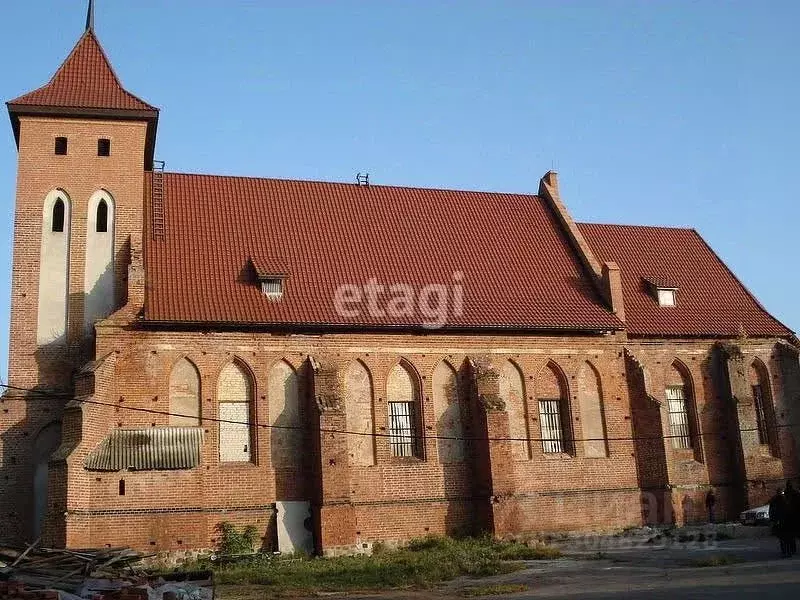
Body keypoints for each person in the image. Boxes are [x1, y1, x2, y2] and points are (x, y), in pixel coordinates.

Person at [769, 488, 792, 557]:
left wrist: (773, 520)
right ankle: (788, 551)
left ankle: (785, 551)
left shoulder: (776, 500)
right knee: (786, 537)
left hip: (781, 521)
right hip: (784, 521)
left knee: (783, 538)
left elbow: (772, 511)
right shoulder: (785, 500)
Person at [785, 480, 800, 556]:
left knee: (791, 536)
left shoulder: (788, 494)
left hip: (791, 517)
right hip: (794, 517)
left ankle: (791, 550)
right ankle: (792, 550)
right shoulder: (795, 493)